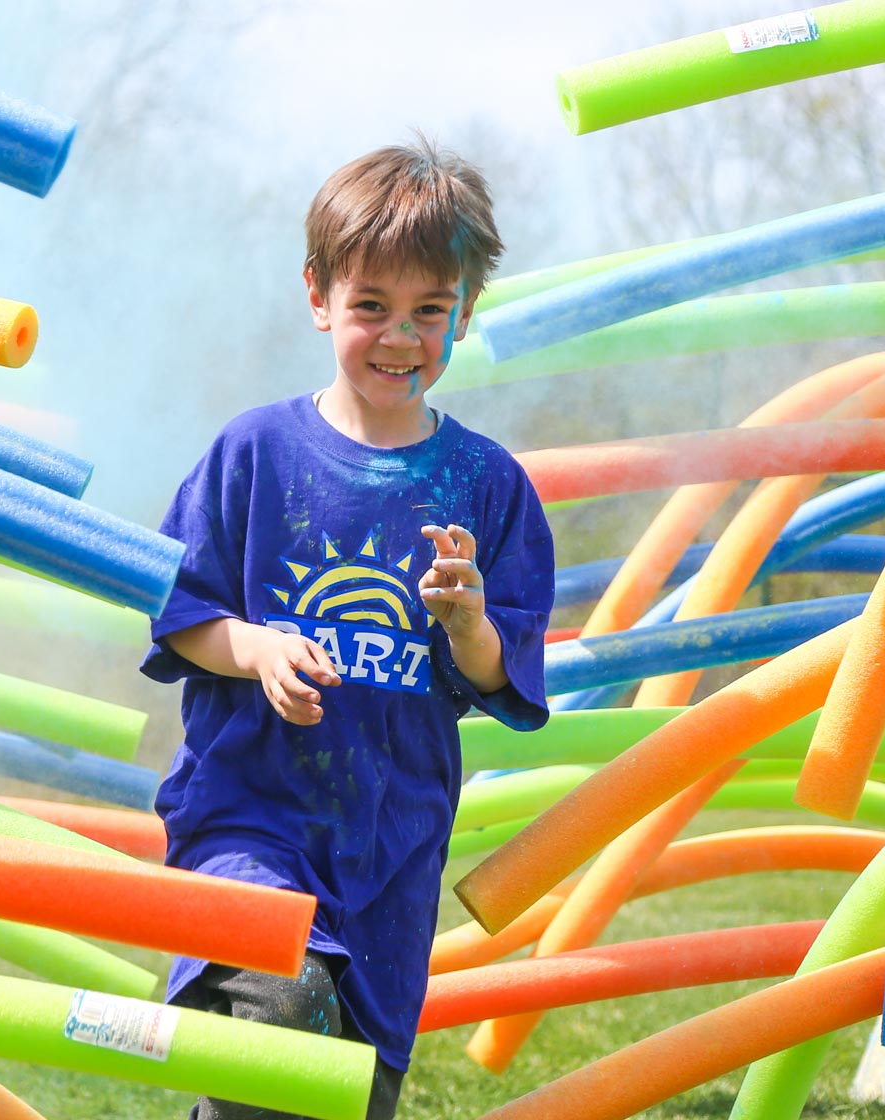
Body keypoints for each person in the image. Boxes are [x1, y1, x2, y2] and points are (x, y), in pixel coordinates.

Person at [139, 138, 552, 1119]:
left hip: (390, 843)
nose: (399, 335)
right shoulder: (255, 452)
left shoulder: (488, 486)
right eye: (371, 305)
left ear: (465, 310)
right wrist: (258, 646)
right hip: (249, 819)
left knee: (347, 1095)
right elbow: (180, 608)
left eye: (428, 311)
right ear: (318, 295)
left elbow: (505, 674)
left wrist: (467, 621)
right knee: (280, 1011)